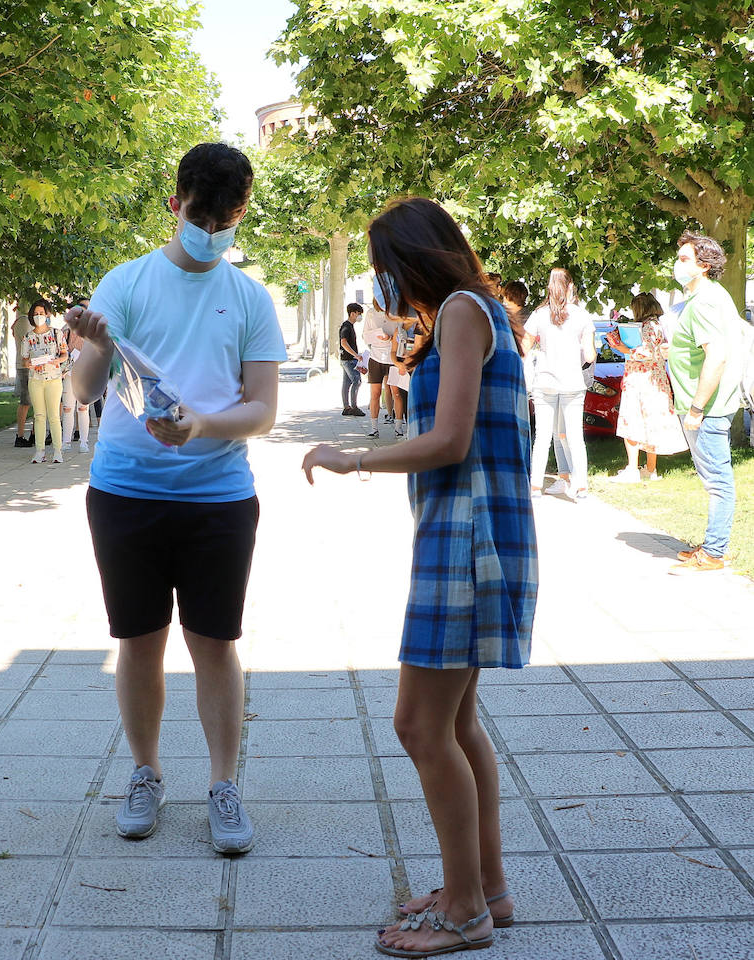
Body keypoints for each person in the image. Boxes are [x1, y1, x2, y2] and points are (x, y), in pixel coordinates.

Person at [303, 197, 535, 958]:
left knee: (419, 724)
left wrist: (354, 457)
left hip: (466, 538)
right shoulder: (472, 311)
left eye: (385, 269)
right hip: (469, 532)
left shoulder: (466, 310)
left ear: (415, 259)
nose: (383, 285)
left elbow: (449, 438)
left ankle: (465, 909)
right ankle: (487, 889)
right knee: (457, 724)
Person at [65, 142, 285, 856]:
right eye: (202, 215)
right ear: (175, 205)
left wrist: (202, 424)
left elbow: (261, 410)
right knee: (138, 643)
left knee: (215, 645)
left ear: (241, 213)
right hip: (125, 492)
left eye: (226, 219)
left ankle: (225, 784)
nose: (213, 229)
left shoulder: (250, 298)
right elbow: (82, 391)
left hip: (219, 496)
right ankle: (145, 773)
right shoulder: (125, 283)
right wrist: (94, 344)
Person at [667, 230, 744, 574]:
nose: (677, 264)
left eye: (684, 259)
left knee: (717, 481)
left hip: (707, 410)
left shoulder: (707, 300)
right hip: (703, 407)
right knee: (714, 478)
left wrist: (697, 408)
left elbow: (716, 357)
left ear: (704, 265)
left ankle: (714, 553)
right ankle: (714, 545)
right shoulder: (707, 298)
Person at [523, 268, 595, 499]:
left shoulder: (539, 315)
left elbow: (523, 348)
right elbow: (591, 356)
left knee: (542, 436)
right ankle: (581, 486)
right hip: (573, 382)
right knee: (574, 436)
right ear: (571, 287)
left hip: (544, 381)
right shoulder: (582, 316)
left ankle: (535, 486)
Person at [606, 293, 687, 482]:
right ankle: (650, 469)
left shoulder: (647, 326)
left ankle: (632, 469)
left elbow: (646, 352)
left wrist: (621, 348)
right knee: (652, 423)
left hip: (640, 379)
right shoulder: (658, 325)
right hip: (656, 379)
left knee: (631, 421)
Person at [20, 299, 67, 463]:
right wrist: (30, 363)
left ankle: (58, 451)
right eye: (36, 314)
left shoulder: (56, 333)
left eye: (41, 313)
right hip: (36, 379)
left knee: (54, 416)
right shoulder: (28, 337)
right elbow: (24, 360)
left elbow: (64, 354)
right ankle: (39, 451)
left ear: (47, 314)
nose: (39, 316)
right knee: (39, 415)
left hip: (53, 379)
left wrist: (56, 361)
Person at [363, 303, 398, 437]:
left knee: (396, 392)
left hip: (392, 355)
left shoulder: (395, 312)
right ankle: (374, 427)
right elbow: (365, 336)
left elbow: (400, 332)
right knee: (375, 393)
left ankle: (398, 426)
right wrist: (375, 336)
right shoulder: (371, 313)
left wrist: (389, 338)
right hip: (375, 356)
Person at [60, 319, 92, 452]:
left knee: (83, 408)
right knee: (67, 409)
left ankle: (84, 442)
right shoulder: (64, 332)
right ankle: (66, 442)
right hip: (68, 375)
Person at [13, 306, 34, 447]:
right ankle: (20, 435)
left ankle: (32, 433)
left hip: (27, 365)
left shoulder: (21, 322)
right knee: (26, 401)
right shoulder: (23, 322)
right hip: (26, 366)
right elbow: (30, 343)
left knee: (31, 401)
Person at [340, 302, 365, 416]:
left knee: (346, 383)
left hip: (347, 358)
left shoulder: (349, 326)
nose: (360, 316)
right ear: (352, 314)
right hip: (349, 359)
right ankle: (354, 407)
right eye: (358, 313)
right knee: (357, 381)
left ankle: (346, 407)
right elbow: (343, 342)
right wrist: (355, 355)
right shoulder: (346, 326)